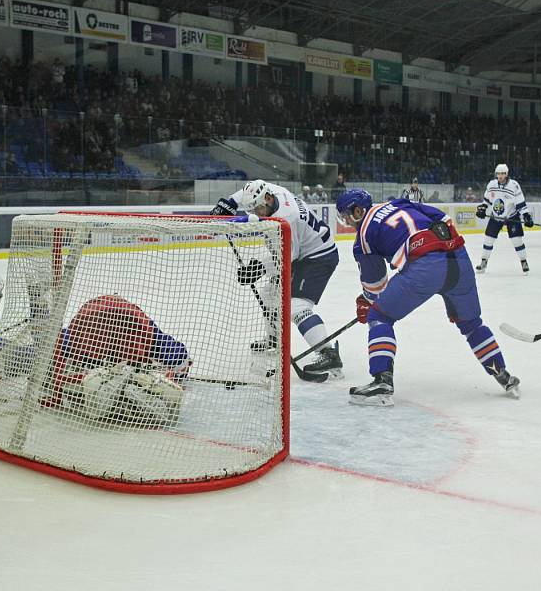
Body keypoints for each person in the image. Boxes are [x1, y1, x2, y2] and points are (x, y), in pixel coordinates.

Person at [335, 188, 521, 406]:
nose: (347, 222)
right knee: (471, 323)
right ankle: (503, 375)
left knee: (380, 317)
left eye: (346, 216)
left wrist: (367, 302)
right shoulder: (399, 203)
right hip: (459, 258)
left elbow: (376, 285)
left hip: (425, 268)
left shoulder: (363, 237)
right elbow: (442, 218)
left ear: (358, 210)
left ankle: (381, 383)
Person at [211, 179, 342, 378]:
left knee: (296, 306)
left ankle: (328, 353)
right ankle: (273, 339)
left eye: (258, 210)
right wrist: (229, 203)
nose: (256, 214)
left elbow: (287, 258)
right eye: (251, 210)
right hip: (304, 252)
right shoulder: (273, 192)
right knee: (269, 294)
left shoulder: (285, 220)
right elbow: (248, 190)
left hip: (318, 257)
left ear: (268, 199)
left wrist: (258, 268)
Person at [42, 295, 190, 427]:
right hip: (103, 335)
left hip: (102, 333)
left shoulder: (83, 337)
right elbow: (181, 361)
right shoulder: (87, 337)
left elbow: (55, 344)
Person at [475, 163, 534, 274]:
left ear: (506, 174)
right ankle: (483, 261)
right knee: (488, 239)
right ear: (496, 174)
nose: (500, 176)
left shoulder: (514, 185)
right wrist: (482, 209)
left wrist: (526, 216)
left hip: (511, 217)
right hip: (496, 217)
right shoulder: (491, 184)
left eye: (503, 173)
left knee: (517, 240)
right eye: (498, 173)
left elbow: (520, 203)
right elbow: (486, 201)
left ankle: (523, 261)